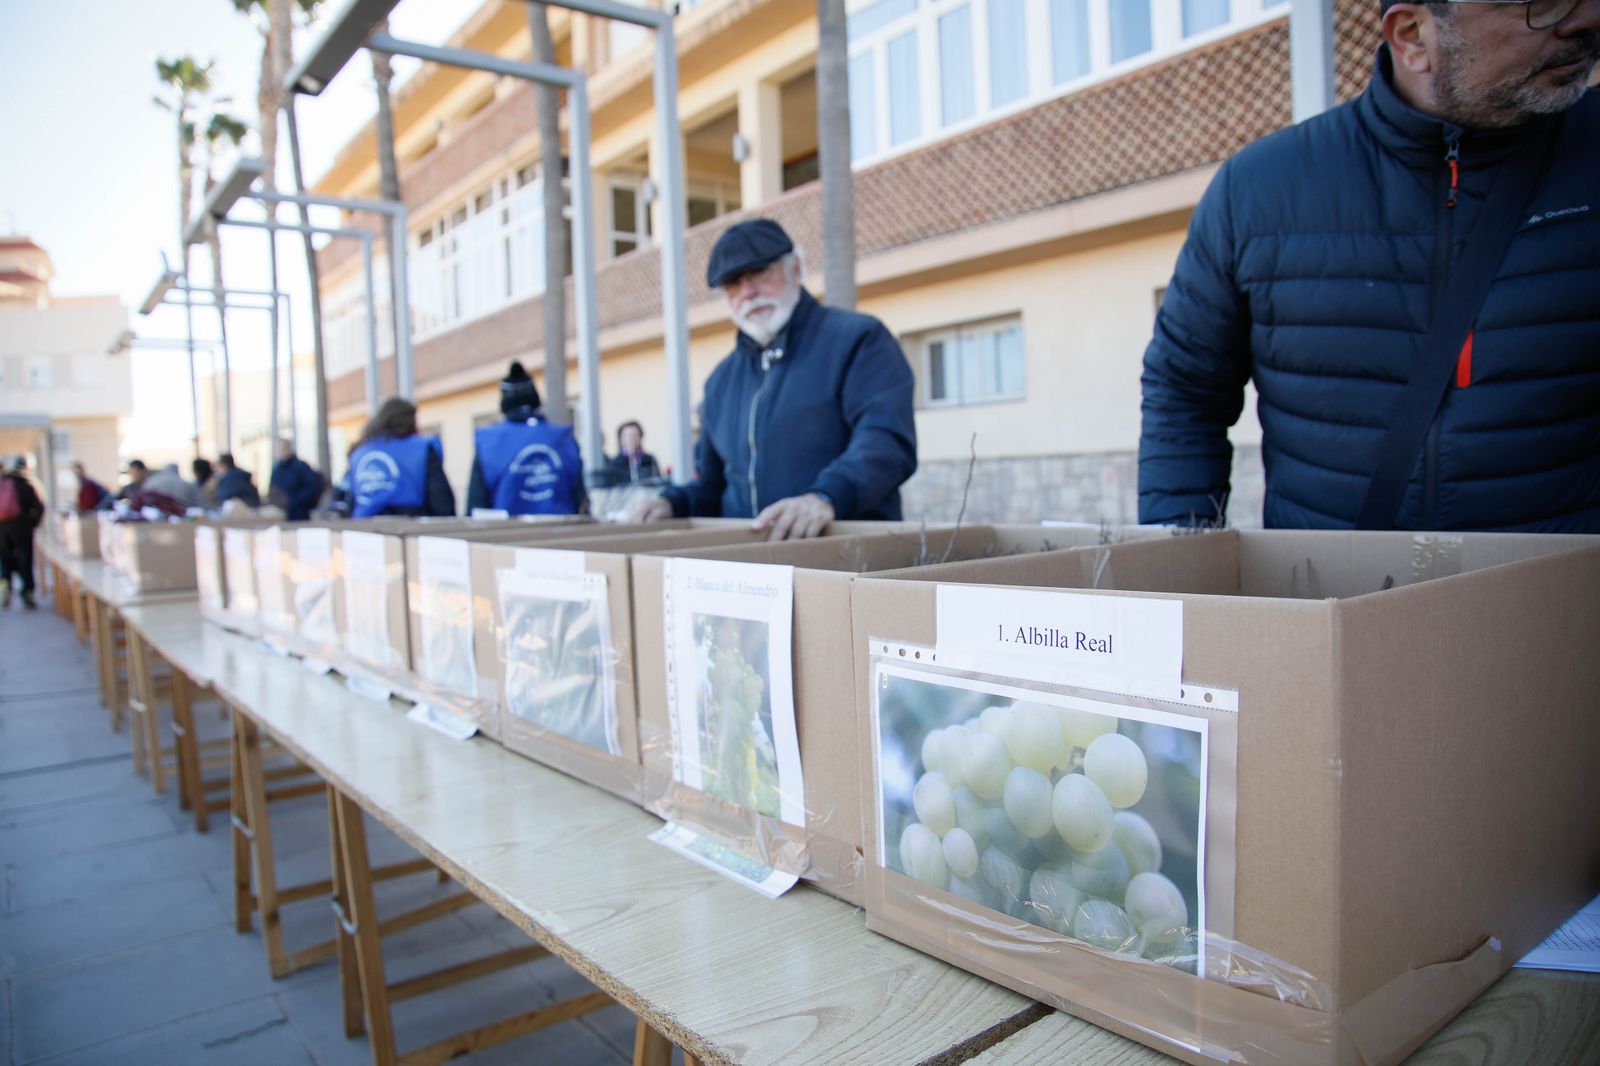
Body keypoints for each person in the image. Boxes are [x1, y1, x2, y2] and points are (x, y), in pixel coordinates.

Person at [1138, 0, 1600, 532]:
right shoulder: (1259, 188)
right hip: (1331, 598)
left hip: (1556, 607)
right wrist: (1182, 572)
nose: (1584, 18)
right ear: (1411, 34)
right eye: (1540, 5)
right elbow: (1184, 393)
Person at [636, 219, 918, 539]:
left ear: (795, 269)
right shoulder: (721, 381)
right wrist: (673, 503)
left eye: (760, 274)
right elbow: (714, 486)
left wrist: (826, 496)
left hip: (846, 562)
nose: (748, 293)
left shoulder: (858, 340)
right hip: (751, 573)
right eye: (733, 285)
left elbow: (886, 441)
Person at [467, 361, 585, 516]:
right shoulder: (563, 438)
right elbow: (580, 498)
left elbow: (477, 505)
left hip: (505, 533)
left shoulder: (489, 442)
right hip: (561, 532)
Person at [344, 397, 456, 518]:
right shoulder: (421, 447)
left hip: (366, 530)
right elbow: (441, 501)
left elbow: (347, 500)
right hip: (411, 527)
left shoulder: (360, 452)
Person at [0, 458, 45, 609]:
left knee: (4, 560)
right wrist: (33, 523)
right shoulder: (24, 482)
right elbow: (38, 505)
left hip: (2, 529)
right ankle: (27, 592)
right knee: (25, 559)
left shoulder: (3, 484)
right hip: (22, 527)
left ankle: (5, 587)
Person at [268, 439, 326, 521]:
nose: (282, 451)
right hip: (281, 512)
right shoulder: (277, 469)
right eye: (280, 449)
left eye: (284, 448)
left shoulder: (300, 467)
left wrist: (297, 500)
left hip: (299, 512)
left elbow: (313, 486)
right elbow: (273, 488)